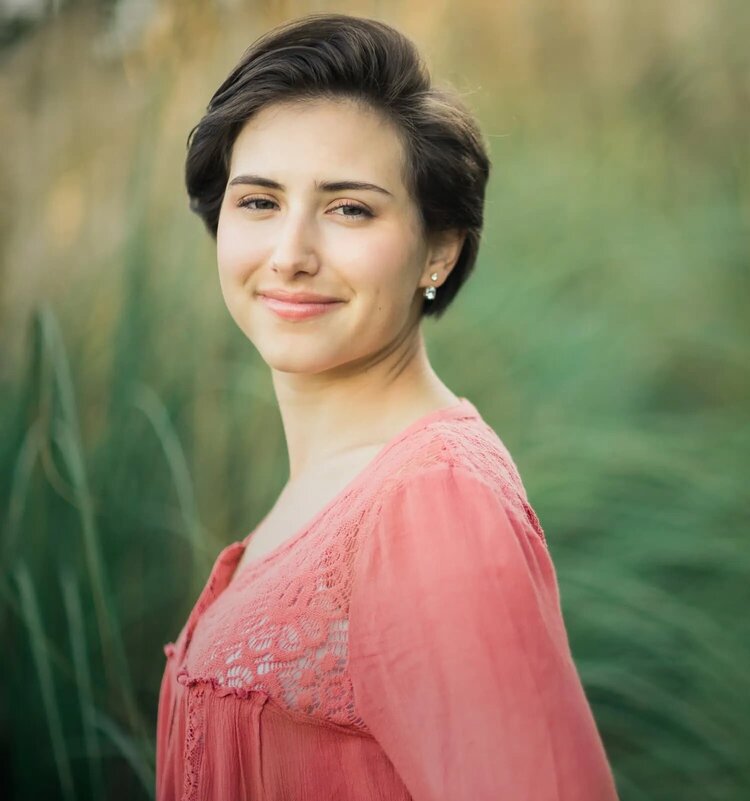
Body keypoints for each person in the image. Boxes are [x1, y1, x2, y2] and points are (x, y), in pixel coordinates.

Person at [156, 13, 619, 800]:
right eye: (260, 201)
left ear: (438, 247)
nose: (292, 254)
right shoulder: (331, 488)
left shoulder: (433, 501)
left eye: (349, 209)